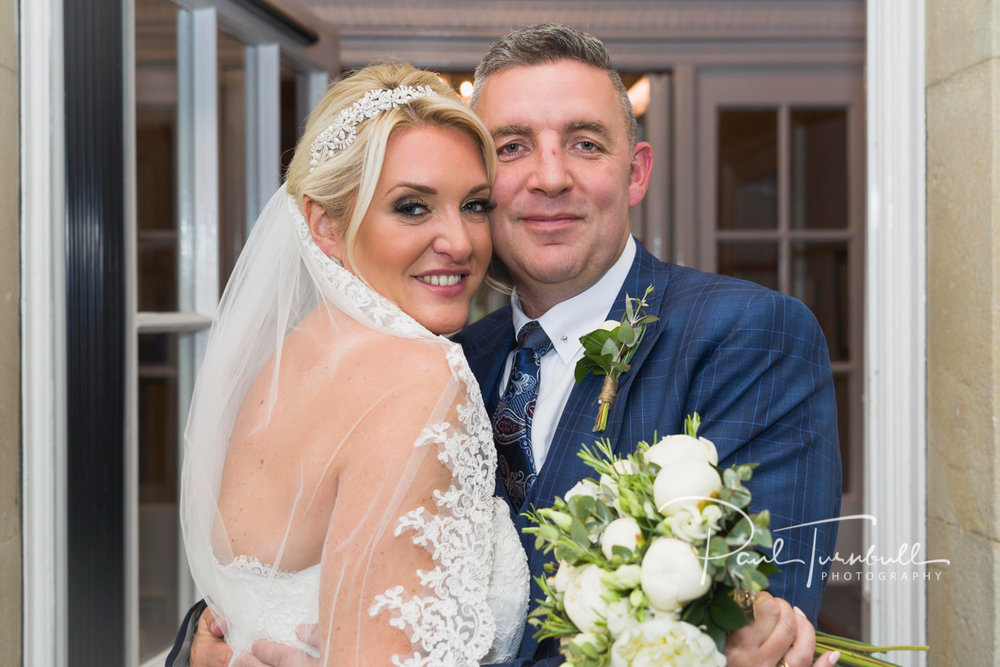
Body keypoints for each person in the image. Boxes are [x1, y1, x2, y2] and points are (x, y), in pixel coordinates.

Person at [177, 24, 843, 667]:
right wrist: (213, 646)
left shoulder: (752, 338)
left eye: (584, 143)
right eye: (514, 147)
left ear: (635, 172)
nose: (550, 177)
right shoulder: (446, 356)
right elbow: (281, 569)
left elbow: (746, 635)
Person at [176, 62, 531, 666]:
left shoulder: (285, 363)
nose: (462, 241)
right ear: (326, 226)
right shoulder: (421, 380)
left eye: (474, 205)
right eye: (413, 208)